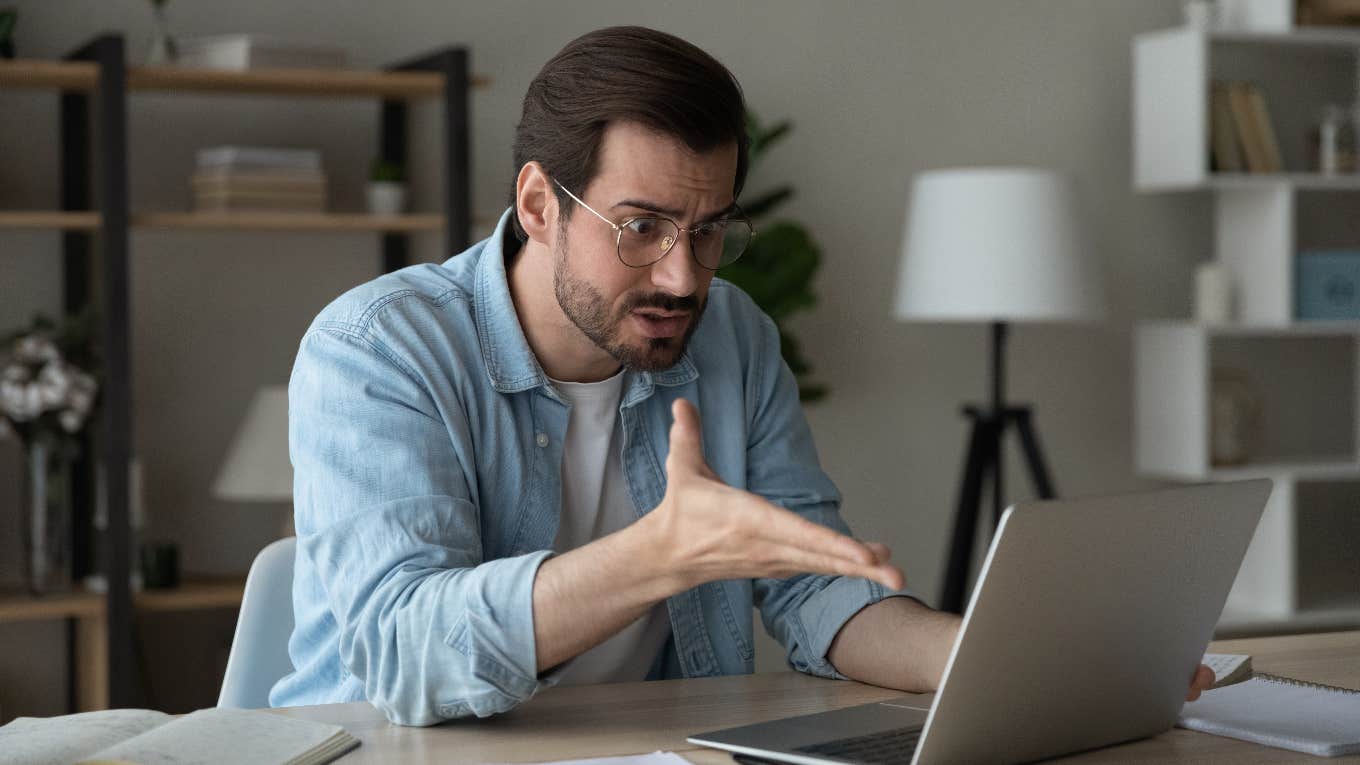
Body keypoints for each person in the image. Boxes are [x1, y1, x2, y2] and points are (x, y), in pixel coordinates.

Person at [271, 25, 1214, 726]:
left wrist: (1009, 661)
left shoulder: (732, 337)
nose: (684, 276)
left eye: (710, 228)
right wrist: (661, 554)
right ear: (538, 204)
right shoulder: (378, 349)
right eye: (641, 227)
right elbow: (402, 654)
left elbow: (810, 592)